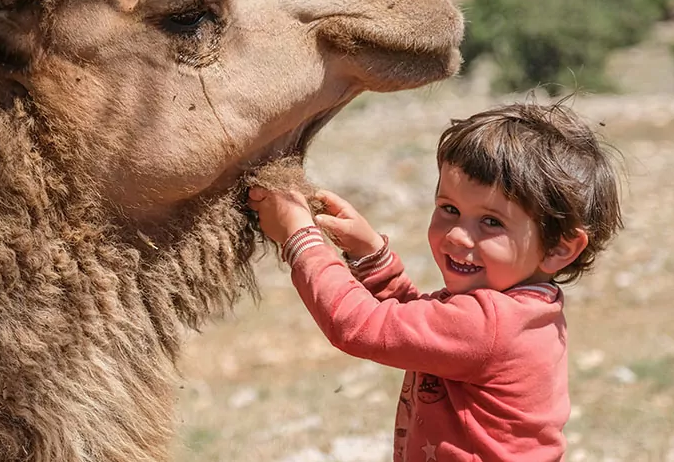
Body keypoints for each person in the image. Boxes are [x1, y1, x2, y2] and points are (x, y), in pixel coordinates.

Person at [248, 101, 624, 461]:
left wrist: (300, 237)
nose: (458, 236)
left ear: (559, 247)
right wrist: (371, 256)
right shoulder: (520, 309)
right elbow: (419, 325)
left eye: (491, 222)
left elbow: (359, 327)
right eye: (449, 209)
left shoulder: (491, 325)